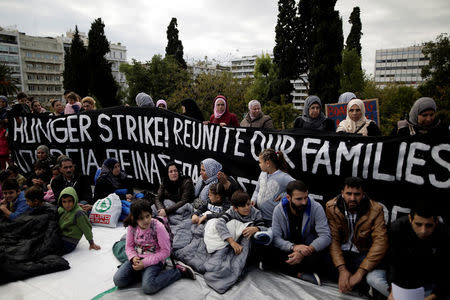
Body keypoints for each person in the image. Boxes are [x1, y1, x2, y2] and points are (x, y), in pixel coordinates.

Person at [369, 201, 449, 300]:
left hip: (427, 282)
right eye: (418, 224)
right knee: (373, 277)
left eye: (429, 225)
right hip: (401, 280)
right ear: (410, 219)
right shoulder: (398, 228)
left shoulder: (443, 234)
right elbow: (393, 262)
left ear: (436, 221)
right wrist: (392, 290)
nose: (423, 230)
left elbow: (445, 271)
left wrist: (434, 296)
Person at [113, 199, 195, 294]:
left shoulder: (158, 227)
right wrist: (133, 257)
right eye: (141, 218)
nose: (146, 220)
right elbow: (129, 247)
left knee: (149, 287)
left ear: (151, 214)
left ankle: (178, 271)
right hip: (138, 258)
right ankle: (143, 274)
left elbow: (166, 251)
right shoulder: (132, 227)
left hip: (155, 260)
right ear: (134, 219)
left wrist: (144, 264)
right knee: (118, 280)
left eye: (147, 216)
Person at [326, 177, 388, 295]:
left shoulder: (376, 209)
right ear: (342, 193)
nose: (352, 198)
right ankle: (357, 283)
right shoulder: (331, 207)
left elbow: (380, 242)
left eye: (357, 194)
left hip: (361, 254)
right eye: (348, 194)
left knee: (378, 262)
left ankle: (357, 281)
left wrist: (360, 273)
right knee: (320, 255)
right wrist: (342, 269)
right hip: (341, 255)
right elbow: (333, 240)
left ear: (363, 194)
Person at [267, 180, 331, 285]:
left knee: (322, 257)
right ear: (288, 198)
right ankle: (299, 273)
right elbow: (276, 238)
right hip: (289, 247)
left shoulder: (316, 207)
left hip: (307, 247)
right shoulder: (278, 210)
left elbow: (326, 236)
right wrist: (293, 247)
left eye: (306, 197)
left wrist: (304, 252)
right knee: (265, 249)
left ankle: (279, 266)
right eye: (299, 199)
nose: (304, 202)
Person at [251, 149, 294, 225]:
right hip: (258, 216)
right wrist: (253, 199)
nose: (259, 164)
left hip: (273, 219)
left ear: (267, 163)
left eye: (260, 162)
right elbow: (257, 190)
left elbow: (299, 190)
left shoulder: (283, 177)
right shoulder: (262, 174)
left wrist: (285, 196)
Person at [58, 187, 100, 254]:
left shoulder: (79, 213)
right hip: (60, 236)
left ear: (74, 200)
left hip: (70, 241)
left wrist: (91, 243)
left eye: (70, 201)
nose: (67, 204)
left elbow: (86, 228)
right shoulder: (61, 209)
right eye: (64, 202)